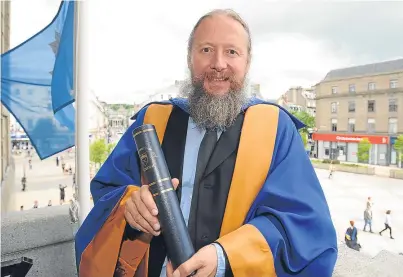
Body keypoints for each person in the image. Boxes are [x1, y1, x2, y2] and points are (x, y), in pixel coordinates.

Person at [75, 9, 337, 277]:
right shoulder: (154, 119)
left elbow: (303, 226)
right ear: (190, 59)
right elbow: (108, 190)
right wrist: (130, 204)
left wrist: (226, 257)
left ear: (247, 63)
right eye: (206, 50)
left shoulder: (276, 128)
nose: (219, 64)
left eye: (232, 52)